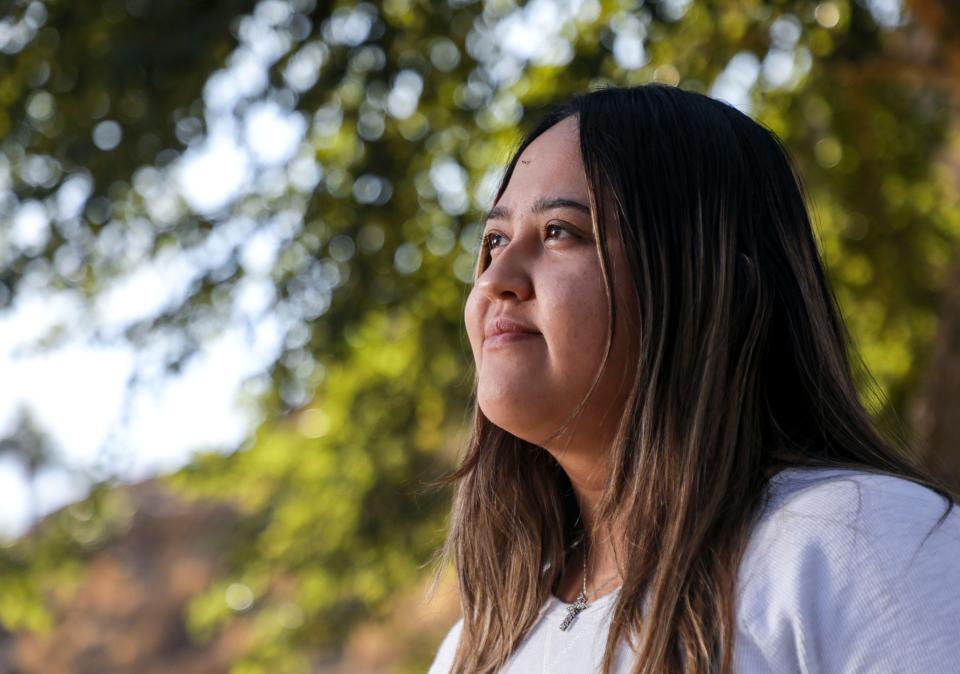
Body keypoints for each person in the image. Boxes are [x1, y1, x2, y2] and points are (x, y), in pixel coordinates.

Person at [422, 84, 960, 674]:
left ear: (711, 285)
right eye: (494, 240)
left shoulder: (865, 543)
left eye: (560, 232)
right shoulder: (476, 645)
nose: (496, 276)